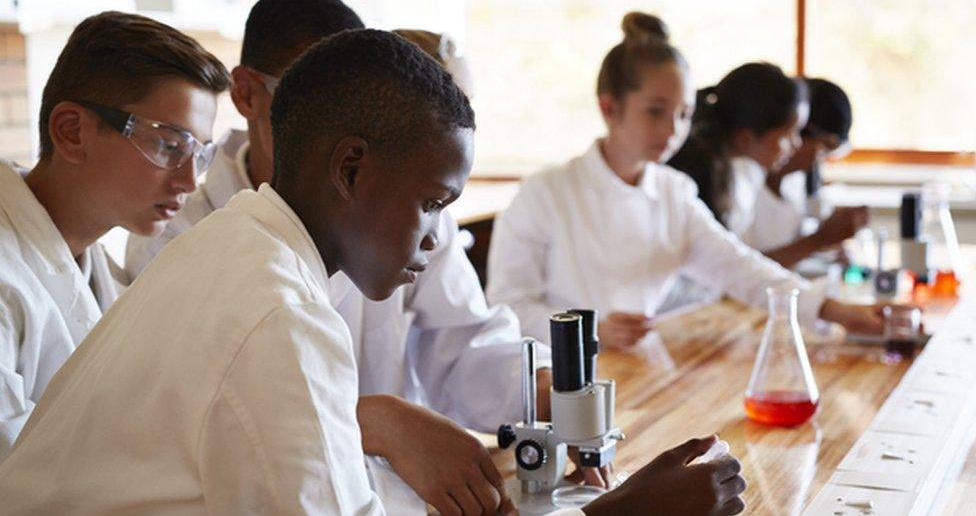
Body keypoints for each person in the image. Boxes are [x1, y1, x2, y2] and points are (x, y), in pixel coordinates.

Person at [0, 29, 746, 516]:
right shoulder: (275, 309)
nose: (432, 238)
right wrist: (617, 515)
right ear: (351, 166)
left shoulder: (252, 250)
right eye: (430, 203)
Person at [123, 0, 560, 510]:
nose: (433, 230)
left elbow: (462, 344)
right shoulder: (211, 249)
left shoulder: (393, 211)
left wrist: (553, 391)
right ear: (247, 94)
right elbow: (231, 430)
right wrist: (370, 419)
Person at [487, 13, 885, 350]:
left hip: (641, 370)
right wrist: (590, 331)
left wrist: (835, 310)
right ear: (610, 107)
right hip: (558, 383)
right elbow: (507, 306)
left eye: (683, 115)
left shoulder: (673, 193)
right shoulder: (545, 193)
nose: (672, 130)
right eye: (656, 112)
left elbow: (739, 267)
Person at [0, 11, 229, 459]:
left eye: (200, 155)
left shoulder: (99, 270)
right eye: (169, 145)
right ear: (72, 132)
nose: (188, 181)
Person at [668, 65, 867, 269]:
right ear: (745, 138)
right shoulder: (731, 182)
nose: (796, 144)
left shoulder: (741, 176)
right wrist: (819, 240)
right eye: (789, 134)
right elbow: (732, 271)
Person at [747, 78, 866, 265]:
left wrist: (826, 250)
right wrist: (820, 239)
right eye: (825, 147)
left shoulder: (793, 184)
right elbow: (739, 270)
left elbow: (788, 248)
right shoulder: (745, 185)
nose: (820, 159)